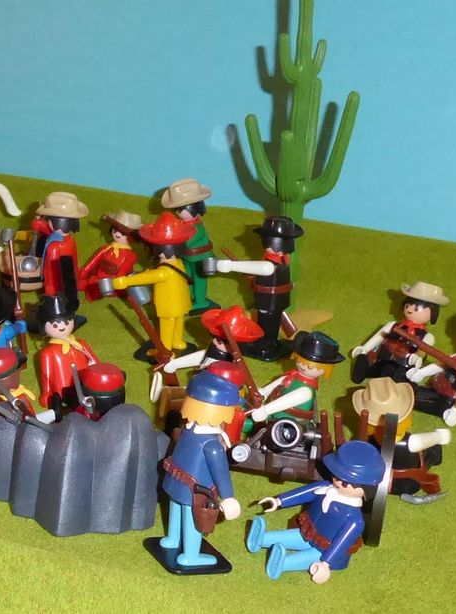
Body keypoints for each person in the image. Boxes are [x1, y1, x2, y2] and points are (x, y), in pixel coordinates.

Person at [246, 440, 385, 583]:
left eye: (344, 483)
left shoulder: (354, 519)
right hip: (307, 532)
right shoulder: (324, 489)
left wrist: (326, 563)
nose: (337, 482)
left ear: (366, 490)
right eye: (336, 475)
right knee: (292, 536)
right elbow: (304, 493)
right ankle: (262, 540)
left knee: (308, 557)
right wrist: (279, 501)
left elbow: (340, 544)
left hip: (325, 549)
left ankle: (283, 563)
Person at [156, 371, 241, 568]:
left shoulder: (188, 430)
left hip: (176, 483)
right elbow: (220, 472)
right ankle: (191, 555)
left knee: (176, 508)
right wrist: (228, 497)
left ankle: (172, 539)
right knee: (193, 519)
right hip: (196, 491)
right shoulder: (212, 445)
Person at [111, 212, 194, 354]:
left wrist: (126, 281)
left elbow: (149, 277)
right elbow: (154, 273)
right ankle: (177, 342)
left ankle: (165, 350)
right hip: (181, 303)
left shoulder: (164, 271)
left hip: (168, 306)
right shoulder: (179, 263)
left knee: (167, 327)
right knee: (178, 322)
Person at [351, 281, 448, 384]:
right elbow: (379, 336)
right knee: (370, 367)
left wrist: (416, 357)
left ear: (433, 313)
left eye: (417, 308)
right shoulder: (393, 325)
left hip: (404, 368)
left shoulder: (427, 336)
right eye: (408, 305)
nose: (410, 310)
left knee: (396, 378)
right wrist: (365, 348)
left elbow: (423, 351)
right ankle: (361, 372)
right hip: (383, 360)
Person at [239, 215, 304, 361]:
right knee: (269, 322)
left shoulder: (277, 262)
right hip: (272, 299)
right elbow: (264, 273)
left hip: (273, 299)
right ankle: (267, 343)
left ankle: (268, 343)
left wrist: (233, 267)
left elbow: (266, 272)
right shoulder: (277, 262)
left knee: (270, 322)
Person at [160, 178, 218, 313]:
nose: (178, 213)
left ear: (194, 207)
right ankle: (191, 297)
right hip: (186, 257)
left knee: (199, 279)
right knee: (187, 277)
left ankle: (200, 301)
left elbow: (186, 242)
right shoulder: (182, 224)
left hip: (200, 258)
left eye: (181, 209)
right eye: (177, 209)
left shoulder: (197, 227)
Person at [35, 293, 97, 411]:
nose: (62, 326)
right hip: (62, 390)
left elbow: (95, 361)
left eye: (67, 322)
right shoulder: (47, 353)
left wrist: (99, 375)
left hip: (86, 383)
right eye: (55, 324)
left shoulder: (80, 344)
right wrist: (46, 393)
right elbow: (46, 375)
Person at [32, 192, 87, 311]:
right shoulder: (70, 240)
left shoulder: (54, 246)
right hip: (69, 284)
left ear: (55, 222)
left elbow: (50, 270)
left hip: (53, 287)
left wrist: (48, 286)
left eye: (48, 220)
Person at [78, 211, 141, 302]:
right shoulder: (105, 248)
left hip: (115, 283)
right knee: (80, 284)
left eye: (123, 233)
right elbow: (92, 262)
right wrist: (82, 273)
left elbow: (122, 272)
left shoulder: (130, 255)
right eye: (115, 230)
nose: (117, 234)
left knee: (98, 286)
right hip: (98, 278)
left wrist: (115, 282)